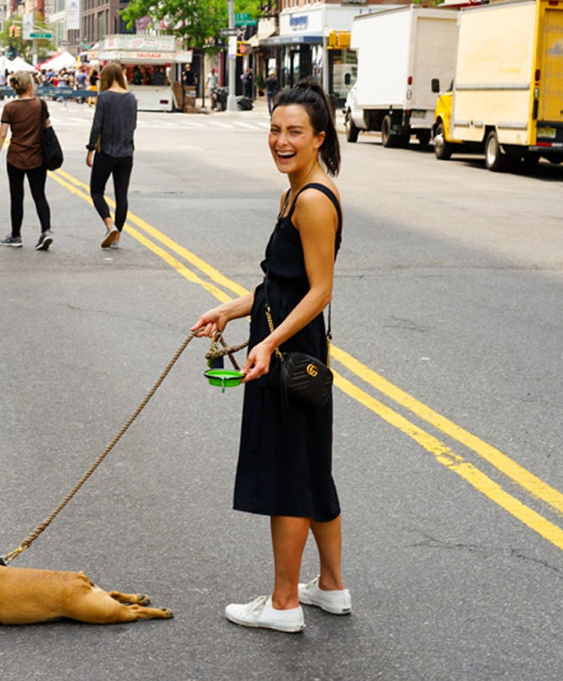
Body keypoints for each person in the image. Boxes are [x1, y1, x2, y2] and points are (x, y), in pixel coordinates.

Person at [190, 80, 345, 634]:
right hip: (284, 345)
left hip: (288, 355)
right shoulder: (295, 192)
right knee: (310, 467)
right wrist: (229, 311)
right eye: (275, 129)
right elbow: (282, 284)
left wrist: (269, 342)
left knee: (287, 474)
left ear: (319, 137)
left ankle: (283, 603)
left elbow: (320, 290)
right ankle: (330, 587)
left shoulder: (312, 200)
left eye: (294, 132)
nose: (282, 141)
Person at [0, 71, 54, 251]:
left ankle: (16, 235)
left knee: (16, 197)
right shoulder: (40, 105)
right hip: (38, 157)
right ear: (29, 86)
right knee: (39, 195)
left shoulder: (10, 107)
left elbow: (2, 134)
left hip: (15, 157)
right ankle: (46, 231)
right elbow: (47, 128)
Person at [86, 62, 137, 250]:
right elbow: (133, 125)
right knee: (121, 195)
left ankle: (110, 225)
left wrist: (91, 149)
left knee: (97, 191)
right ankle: (117, 237)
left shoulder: (104, 97)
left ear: (105, 77)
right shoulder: (132, 98)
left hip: (106, 151)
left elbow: (97, 126)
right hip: (126, 153)